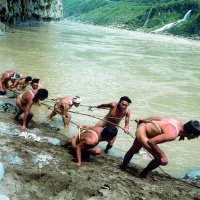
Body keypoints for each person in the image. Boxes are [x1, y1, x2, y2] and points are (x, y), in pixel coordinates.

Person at [120, 117, 200, 178]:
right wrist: (163, 155)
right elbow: (151, 142)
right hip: (143, 133)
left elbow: (158, 118)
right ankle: (143, 174)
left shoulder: (177, 122)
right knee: (159, 159)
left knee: (134, 150)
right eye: (197, 136)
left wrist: (143, 120)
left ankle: (123, 167)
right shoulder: (172, 134)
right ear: (191, 135)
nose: (196, 138)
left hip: (143, 128)